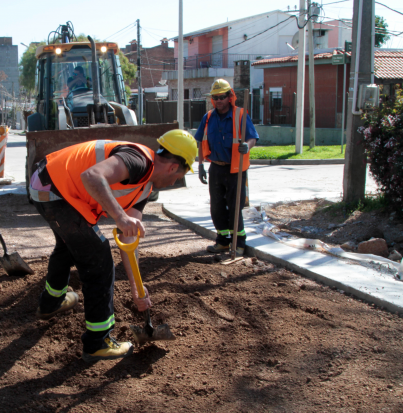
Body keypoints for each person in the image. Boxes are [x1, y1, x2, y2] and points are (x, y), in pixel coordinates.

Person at [29, 130, 197, 362]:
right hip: (53, 189)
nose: (174, 182)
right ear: (172, 168)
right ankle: (98, 342)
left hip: (51, 186)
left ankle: (51, 303)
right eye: (178, 177)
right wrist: (120, 216)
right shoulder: (138, 160)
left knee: (70, 246)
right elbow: (92, 176)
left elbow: (129, 239)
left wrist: (136, 286)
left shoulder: (144, 188)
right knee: (99, 258)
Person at [193, 79, 259, 256]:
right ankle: (222, 241)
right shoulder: (207, 118)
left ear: (230, 97)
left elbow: (252, 137)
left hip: (235, 169)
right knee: (217, 207)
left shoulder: (240, 115)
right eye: (215, 97)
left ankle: (239, 243)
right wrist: (200, 166)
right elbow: (200, 141)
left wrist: (248, 145)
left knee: (234, 206)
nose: (218, 100)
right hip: (216, 168)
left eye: (222, 97)